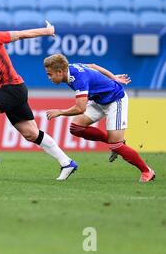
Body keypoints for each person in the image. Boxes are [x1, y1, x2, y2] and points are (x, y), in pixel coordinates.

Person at [0, 20, 78, 181]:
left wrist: (46, 31)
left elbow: (19, 34)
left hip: (13, 88)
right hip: (7, 92)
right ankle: (67, 162)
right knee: (31, 134)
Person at [43, 53, 155, 183]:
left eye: (50, 74)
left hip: (115, 100)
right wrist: (113, 77)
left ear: (60, 71)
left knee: (116, 145)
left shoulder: (78, 79)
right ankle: (116, 144)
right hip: (98, 100)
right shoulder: (71, 67)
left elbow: (80, 108)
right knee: (76, 128)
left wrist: (60, 112)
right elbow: (93, 66)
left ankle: (147, 171)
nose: (49, 77)